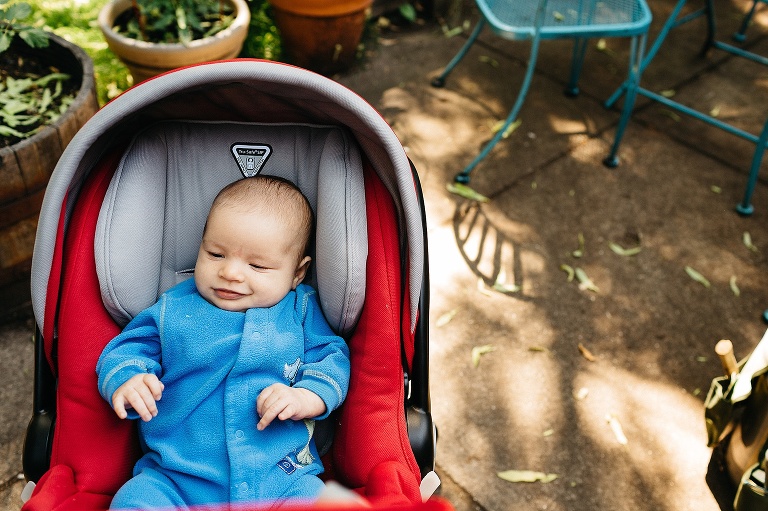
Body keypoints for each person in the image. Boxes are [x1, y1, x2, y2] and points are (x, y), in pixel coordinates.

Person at [96, 175, 351, 510]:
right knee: (133, 500)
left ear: (297, 274)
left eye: (258, 265)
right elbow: (128, 348)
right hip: (176, 479)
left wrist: (307, 395)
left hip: (280, 479)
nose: (230, 273)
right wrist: (129, 379)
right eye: (215, 254)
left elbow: (332, 357)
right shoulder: (174, 308)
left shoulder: (300, 310)